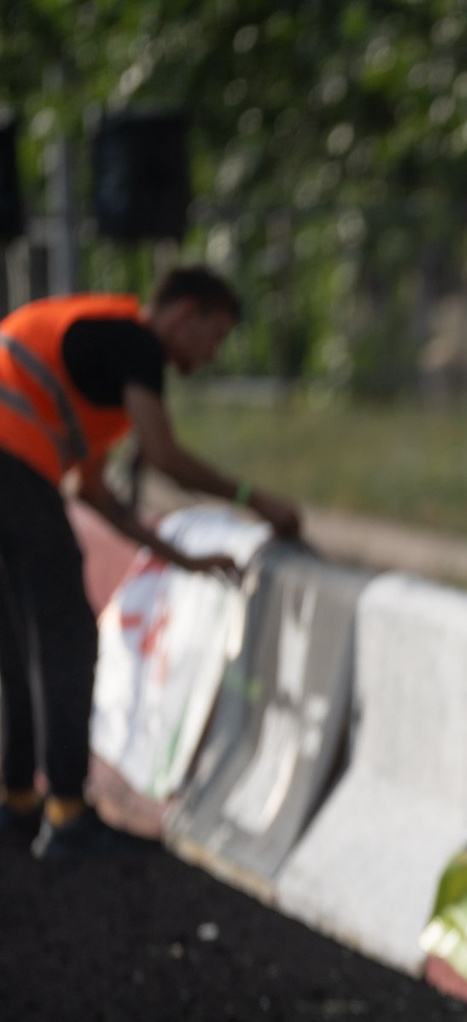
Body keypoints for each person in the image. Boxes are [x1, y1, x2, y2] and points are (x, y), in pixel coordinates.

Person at [0, 265, 302, 859]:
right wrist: (254, 499)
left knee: (16, 635)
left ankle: (19, 799)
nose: (211, 355)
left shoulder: (97, 370)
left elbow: (95, 494)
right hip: (10, 461)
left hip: (13, 462)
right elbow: (162, 455)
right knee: (65, 637)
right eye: (214, 335)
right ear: (184, 315)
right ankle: (68, 815)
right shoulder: (133, 342)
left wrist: (182, 559)